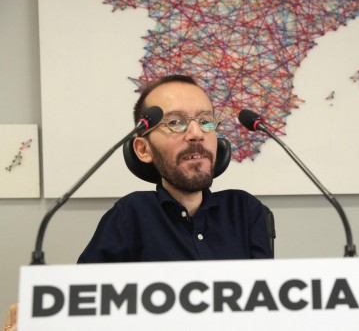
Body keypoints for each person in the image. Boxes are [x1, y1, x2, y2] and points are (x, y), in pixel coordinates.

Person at [77, 74, 273, 262]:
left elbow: (266, 291)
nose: (196, 133)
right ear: (144, 149)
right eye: (175, 122)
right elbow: (85, 291)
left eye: (205, 121)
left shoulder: (244, 210)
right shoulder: (130, 216)